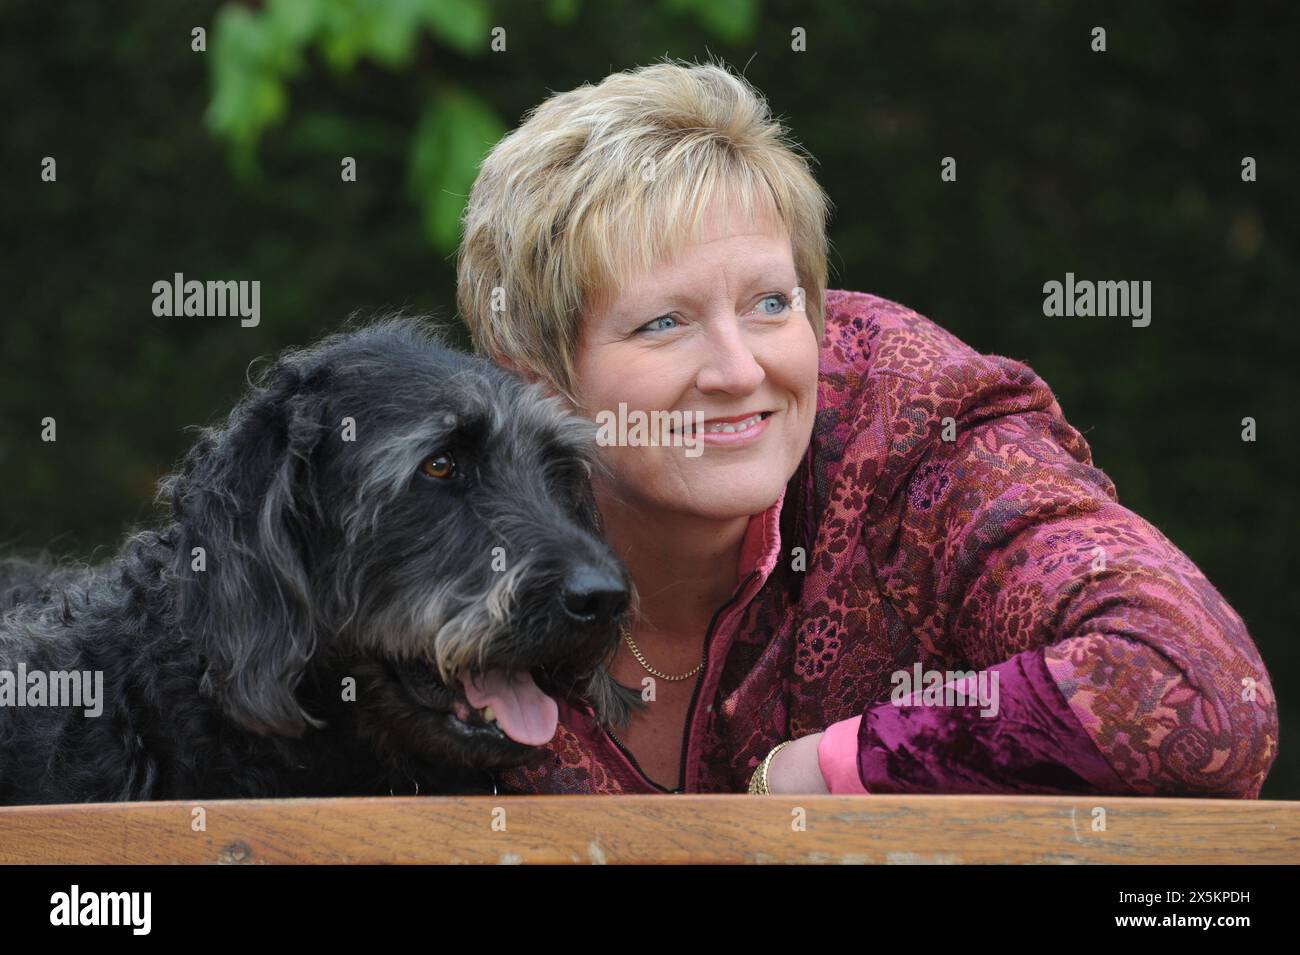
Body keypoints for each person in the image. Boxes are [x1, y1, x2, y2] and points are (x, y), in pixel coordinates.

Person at [454, 58, 1278, 796]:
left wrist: (832, 767)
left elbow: (1195, 693)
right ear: (532, 378)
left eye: (771, 304)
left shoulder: (919, 423)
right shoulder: (432, 516)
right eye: (664, 323)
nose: (741, 371)